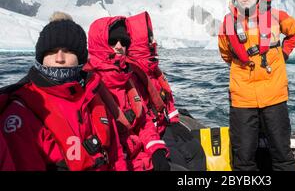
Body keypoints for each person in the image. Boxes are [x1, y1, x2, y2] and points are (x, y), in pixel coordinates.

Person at [0, 12, 127, 171]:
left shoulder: (92, 95)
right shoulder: (21, 113)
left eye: (67, 50)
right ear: (41, 56)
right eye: (52, 51)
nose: (59, 58)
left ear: (80, 58)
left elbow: (116, 154)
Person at [218, 0, 295, 171]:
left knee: (282, 155)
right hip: (242, 98)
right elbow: (225, 53)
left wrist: (284, 53)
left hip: (274, 94)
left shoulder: (276, 15)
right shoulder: (226, 24)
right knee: (243, 159)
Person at [84, 16, 170, 171]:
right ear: (99, 43)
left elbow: (144, 123)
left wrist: (156, 150)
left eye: (124, 42)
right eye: (113, 41)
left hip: (141, 157)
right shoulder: (87, 87)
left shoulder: (125, 78)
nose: (119, 46)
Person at [126, 11, 206, 171]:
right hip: (153, 132)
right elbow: (142, 116)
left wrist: (175, 122)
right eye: (149, 37)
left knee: (196, 151)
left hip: (164, 124)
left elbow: (167, 100)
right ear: (138, 41)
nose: (153, 41)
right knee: (181, 162)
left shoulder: (152, 68)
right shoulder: (133, 73)